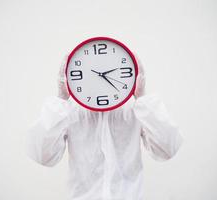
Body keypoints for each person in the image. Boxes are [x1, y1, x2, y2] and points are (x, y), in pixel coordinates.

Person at [26, 54, 183, 200]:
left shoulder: (135, 110)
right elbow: (42, 156)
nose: (101, 77)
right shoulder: (71, 111)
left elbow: (168, 149)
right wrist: (61, 100)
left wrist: (142, 98)